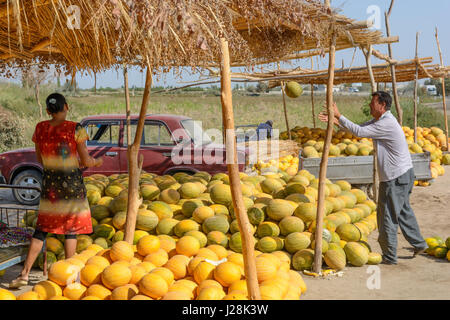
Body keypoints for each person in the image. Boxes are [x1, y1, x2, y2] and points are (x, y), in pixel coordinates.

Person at [318, 91, 428, 265]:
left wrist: (339, 115)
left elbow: (360, 132)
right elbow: (359, 128)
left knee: (387, 217)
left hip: (395, 177)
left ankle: (390, 256)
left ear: (382, 105)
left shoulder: (386, 123)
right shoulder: (381, 120)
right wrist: (337, 121)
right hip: (402, 174)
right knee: (403, 212)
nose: (370, 105)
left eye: (373, 103)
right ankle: (419, 244)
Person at [9, 93, 103, 288]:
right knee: (71, 231)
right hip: (72, 189)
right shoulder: (76, 128)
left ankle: (24, 274)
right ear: (66, 106)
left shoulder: (40, 128)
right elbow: (86, 161)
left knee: (41, 230)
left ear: (48, 110)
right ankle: (71, 279)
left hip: (51, 187)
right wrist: (96, 161)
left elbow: (40, 159)